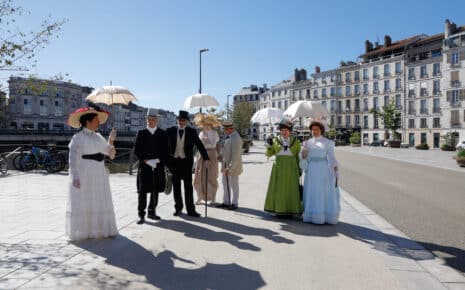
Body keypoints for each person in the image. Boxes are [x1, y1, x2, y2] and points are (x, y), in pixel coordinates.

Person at [66, 106, 118, 241]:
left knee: (99, 199)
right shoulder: (77, 137)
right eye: (96, 120)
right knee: (86, 200)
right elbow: (73, 160)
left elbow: (109, 153)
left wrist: (111, 140)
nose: (98, 122)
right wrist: (75, 177)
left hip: (99, 171)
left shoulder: (99, 136)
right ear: (87, 122)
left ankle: (100, 228)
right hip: (86, 172)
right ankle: (85, 229)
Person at [166, 110, 209, 217]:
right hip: (174, 162)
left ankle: (191, 210)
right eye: (179, 119)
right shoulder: (169, 130)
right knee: (176, 187)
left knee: (188, 187)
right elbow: (163, 145)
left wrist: (206, 158)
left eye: (184, 120)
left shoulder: (192, 131)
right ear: (177, 120)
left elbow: (199, 145)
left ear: (187, 121)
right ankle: (178, 209)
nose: (181, 122)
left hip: (186, 163)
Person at [300, 117, 340, 224]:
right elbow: (304, 159)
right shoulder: (307, 142)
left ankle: (324, 216)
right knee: (312, 191)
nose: (314, 131)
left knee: (322, 192)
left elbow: (331, 157)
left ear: (321, 130)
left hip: (323, 169)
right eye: (313, 129)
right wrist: (303, 155)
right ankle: (311, 215)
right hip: (311, 169)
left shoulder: (327, 142)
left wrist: (335, 170)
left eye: (316, 129)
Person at [133, 109, 169, 224]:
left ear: (157, 120)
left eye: (152, 119)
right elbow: (137, 150)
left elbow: (166, 151)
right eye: (148, 119)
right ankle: (141, 215)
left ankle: (152, 212)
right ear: (146, 120)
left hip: (157, 167)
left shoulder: (162, 134)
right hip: (144, 167)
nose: (150, 121)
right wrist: (146, 160)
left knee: (155, 190)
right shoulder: (141, 133)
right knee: (142, 191)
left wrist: (158, 160)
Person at [264, 119, 302, 217]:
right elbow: (270, 154)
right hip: (279, 168)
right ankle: (279, 209)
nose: (284, 132)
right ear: (280, 130)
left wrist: (300, 169)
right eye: (282, 130)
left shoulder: (296, 141)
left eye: (286, 130)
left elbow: (298, 156)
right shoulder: (275, 140)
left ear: (290, 131)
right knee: (279, 189)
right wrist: (268, 146)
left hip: (291, 168)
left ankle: (290, 210)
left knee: (291, 189)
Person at [193, 113, 221, 205]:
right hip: (201, 155)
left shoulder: (214, 133)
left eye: (208, 124)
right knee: (199, 176)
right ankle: (200, 197)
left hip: (211, 155)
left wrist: (207, 137)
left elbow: (213, 143)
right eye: (205, 124)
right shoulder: (201, 133)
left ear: (211, 125)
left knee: (211, 176)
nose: (206, 126)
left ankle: (212, 198)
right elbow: (199, 145)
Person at [216, 120, 243, 210]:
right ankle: (226, 202)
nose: (224, 130)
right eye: (224, 129)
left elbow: (236, 155)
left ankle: (234, 203)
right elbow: (226, 150)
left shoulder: (236, 138)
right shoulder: (227, 136)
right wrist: (220, 156)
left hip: (233, 166)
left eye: (226, 129)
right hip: (225, 165)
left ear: (231, 128)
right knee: (225, 183)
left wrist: (230, 168)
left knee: (233, 185)